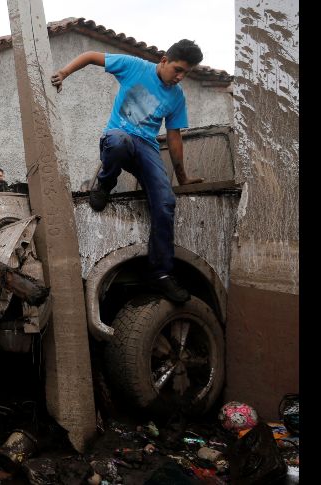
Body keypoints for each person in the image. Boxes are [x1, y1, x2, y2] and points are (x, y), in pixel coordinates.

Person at [50, 39, 205, 303]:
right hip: (119, 137)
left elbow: (174, 137)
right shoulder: (134, 66)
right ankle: (105, 184)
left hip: (147, 146)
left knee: (166, 202)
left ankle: (161, 273)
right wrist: (64, 73)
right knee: (119, 142)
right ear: (164, 60)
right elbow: (89, 55)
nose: (180, 77)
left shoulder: (177, 97)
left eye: (185, 74)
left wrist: (182, 177)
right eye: (177, 69)